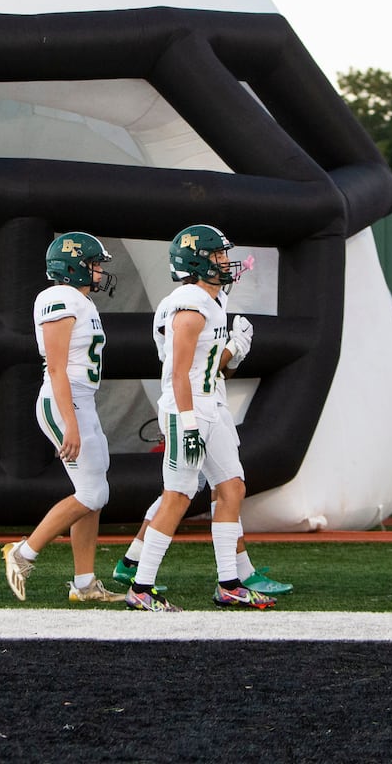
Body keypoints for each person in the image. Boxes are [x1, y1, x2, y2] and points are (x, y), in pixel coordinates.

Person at [124, 224, 275, 611]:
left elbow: (209, 368)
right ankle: (141, 587)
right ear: (198, 260)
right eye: (218, 255)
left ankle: (229, 582)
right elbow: (178, 373)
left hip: (210, 405)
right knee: (177, 495)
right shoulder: (189, 303)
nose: (226, 262)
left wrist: (233, 351)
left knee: (232, 488)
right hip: (185, 409)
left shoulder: (211, 300)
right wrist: (189, 423)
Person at [2, 232, 122, 603]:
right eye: (93, 264)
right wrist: (69, 421)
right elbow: (56, 368)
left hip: (81, 400)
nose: (99, 271)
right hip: (63, 401)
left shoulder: (78, 301)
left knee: (94, 493)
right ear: (73, 267)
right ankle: (22, 553)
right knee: (92, 492)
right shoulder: (59, 298)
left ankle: (84, 584)